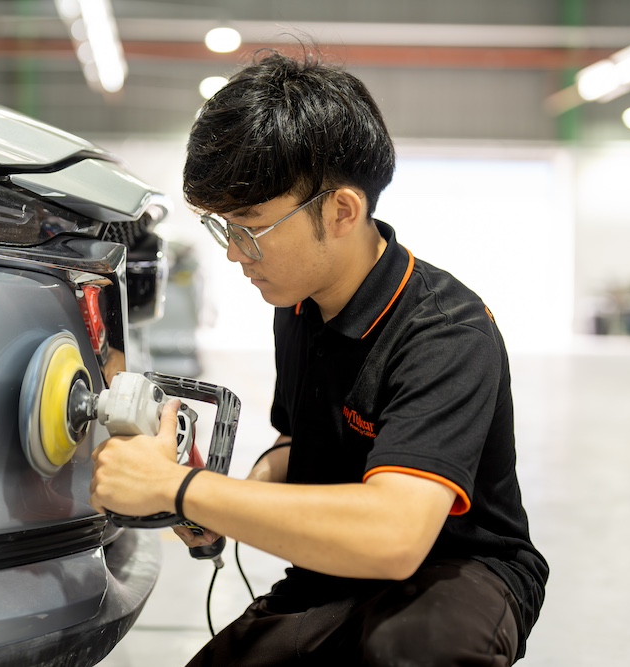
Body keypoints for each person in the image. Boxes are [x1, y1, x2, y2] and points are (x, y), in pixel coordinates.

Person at [90, 47, 548, 666]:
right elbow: (297, 441)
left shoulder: (445, 331)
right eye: (223, 228)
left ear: (341, 211)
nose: (234, 254)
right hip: (334, 569)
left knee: (414, 651)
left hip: (456, 570)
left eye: (250, 227)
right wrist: (226, 499)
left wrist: (179, 486)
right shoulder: (299, 305)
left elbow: (395, 535)